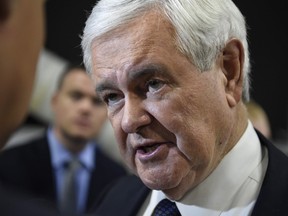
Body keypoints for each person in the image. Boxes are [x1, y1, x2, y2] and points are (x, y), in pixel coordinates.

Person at [81, 0, 288, 215]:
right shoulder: (113, 200)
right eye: (113, 97)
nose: (129, 121)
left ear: (228, 71)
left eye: (153, 84)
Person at [0, 65, 127, 214]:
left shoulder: (116, 179)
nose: (85, 108)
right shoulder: (10, 163)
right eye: (76, 96)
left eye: (96, 102)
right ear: (55, 101)